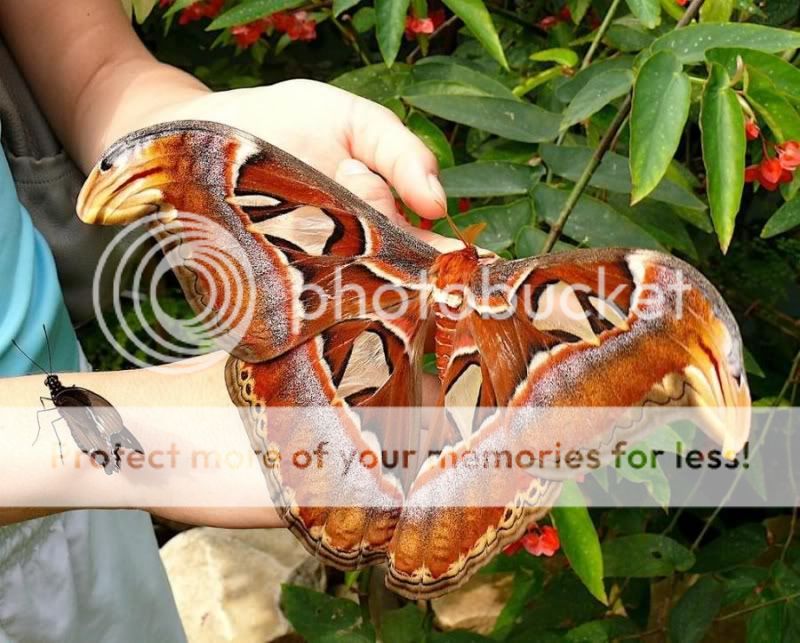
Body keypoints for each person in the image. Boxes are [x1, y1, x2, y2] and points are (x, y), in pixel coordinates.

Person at [0, 1, 450, 640]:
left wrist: (189, 147)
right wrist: (152, 429)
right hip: (100, 460)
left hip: (92, 504)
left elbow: (95, 62)